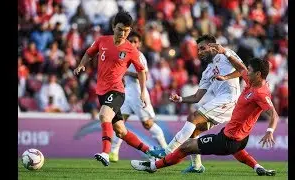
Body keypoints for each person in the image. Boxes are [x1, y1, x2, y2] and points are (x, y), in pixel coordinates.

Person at [130, 43, 278, 176]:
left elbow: (274, 115)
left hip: (228, 139)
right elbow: (240, 68)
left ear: (258, 74)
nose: (247, 72)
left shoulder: (260, 93)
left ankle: (153, 165)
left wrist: (269, 131)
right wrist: (225, 51)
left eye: (250, 71)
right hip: (238, 138)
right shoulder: (252, 82)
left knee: (187, 146)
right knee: (230, 147)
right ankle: (257, 167)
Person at [73, 11, 151, 167]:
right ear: (113, 26)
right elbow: (89, 54)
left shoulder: (131, 49)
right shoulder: (102, 41)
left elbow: (142, 71)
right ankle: (151, 152)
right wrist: (82, 64)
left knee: (103, 116)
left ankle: (105, 153)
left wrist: (143, 91)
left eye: (127, 30)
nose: (123, 33)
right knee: (121, 131)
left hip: (116, 91)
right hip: (101, 91)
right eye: (120, 29)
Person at [109, 31, 168, 162]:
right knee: (119, 123)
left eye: (136, 41)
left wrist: (127, 73)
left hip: (138, 93)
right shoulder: (122, 55)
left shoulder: (139, 56)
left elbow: (144, 75)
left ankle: (166, 150)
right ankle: (113, 153)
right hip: (125, 94)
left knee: (147, 124)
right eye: (131, 41)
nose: (133, 43)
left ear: (139, 43)